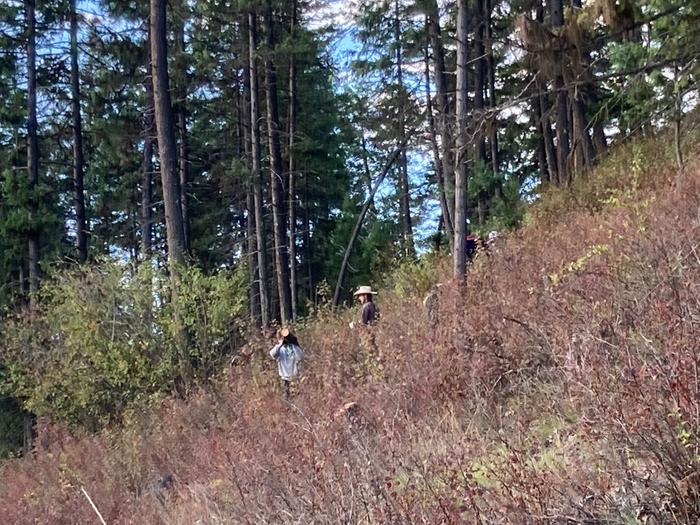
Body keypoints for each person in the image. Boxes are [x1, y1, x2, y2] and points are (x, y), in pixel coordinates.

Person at [269, 328, 304, 400]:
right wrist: (280, 344)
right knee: (286, 398)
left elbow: (300, 356)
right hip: (284, 378)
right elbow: (272, 354)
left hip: (294, 377)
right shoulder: (279, 349)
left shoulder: (294, 348)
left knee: (296, 398)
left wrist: (293, 343)